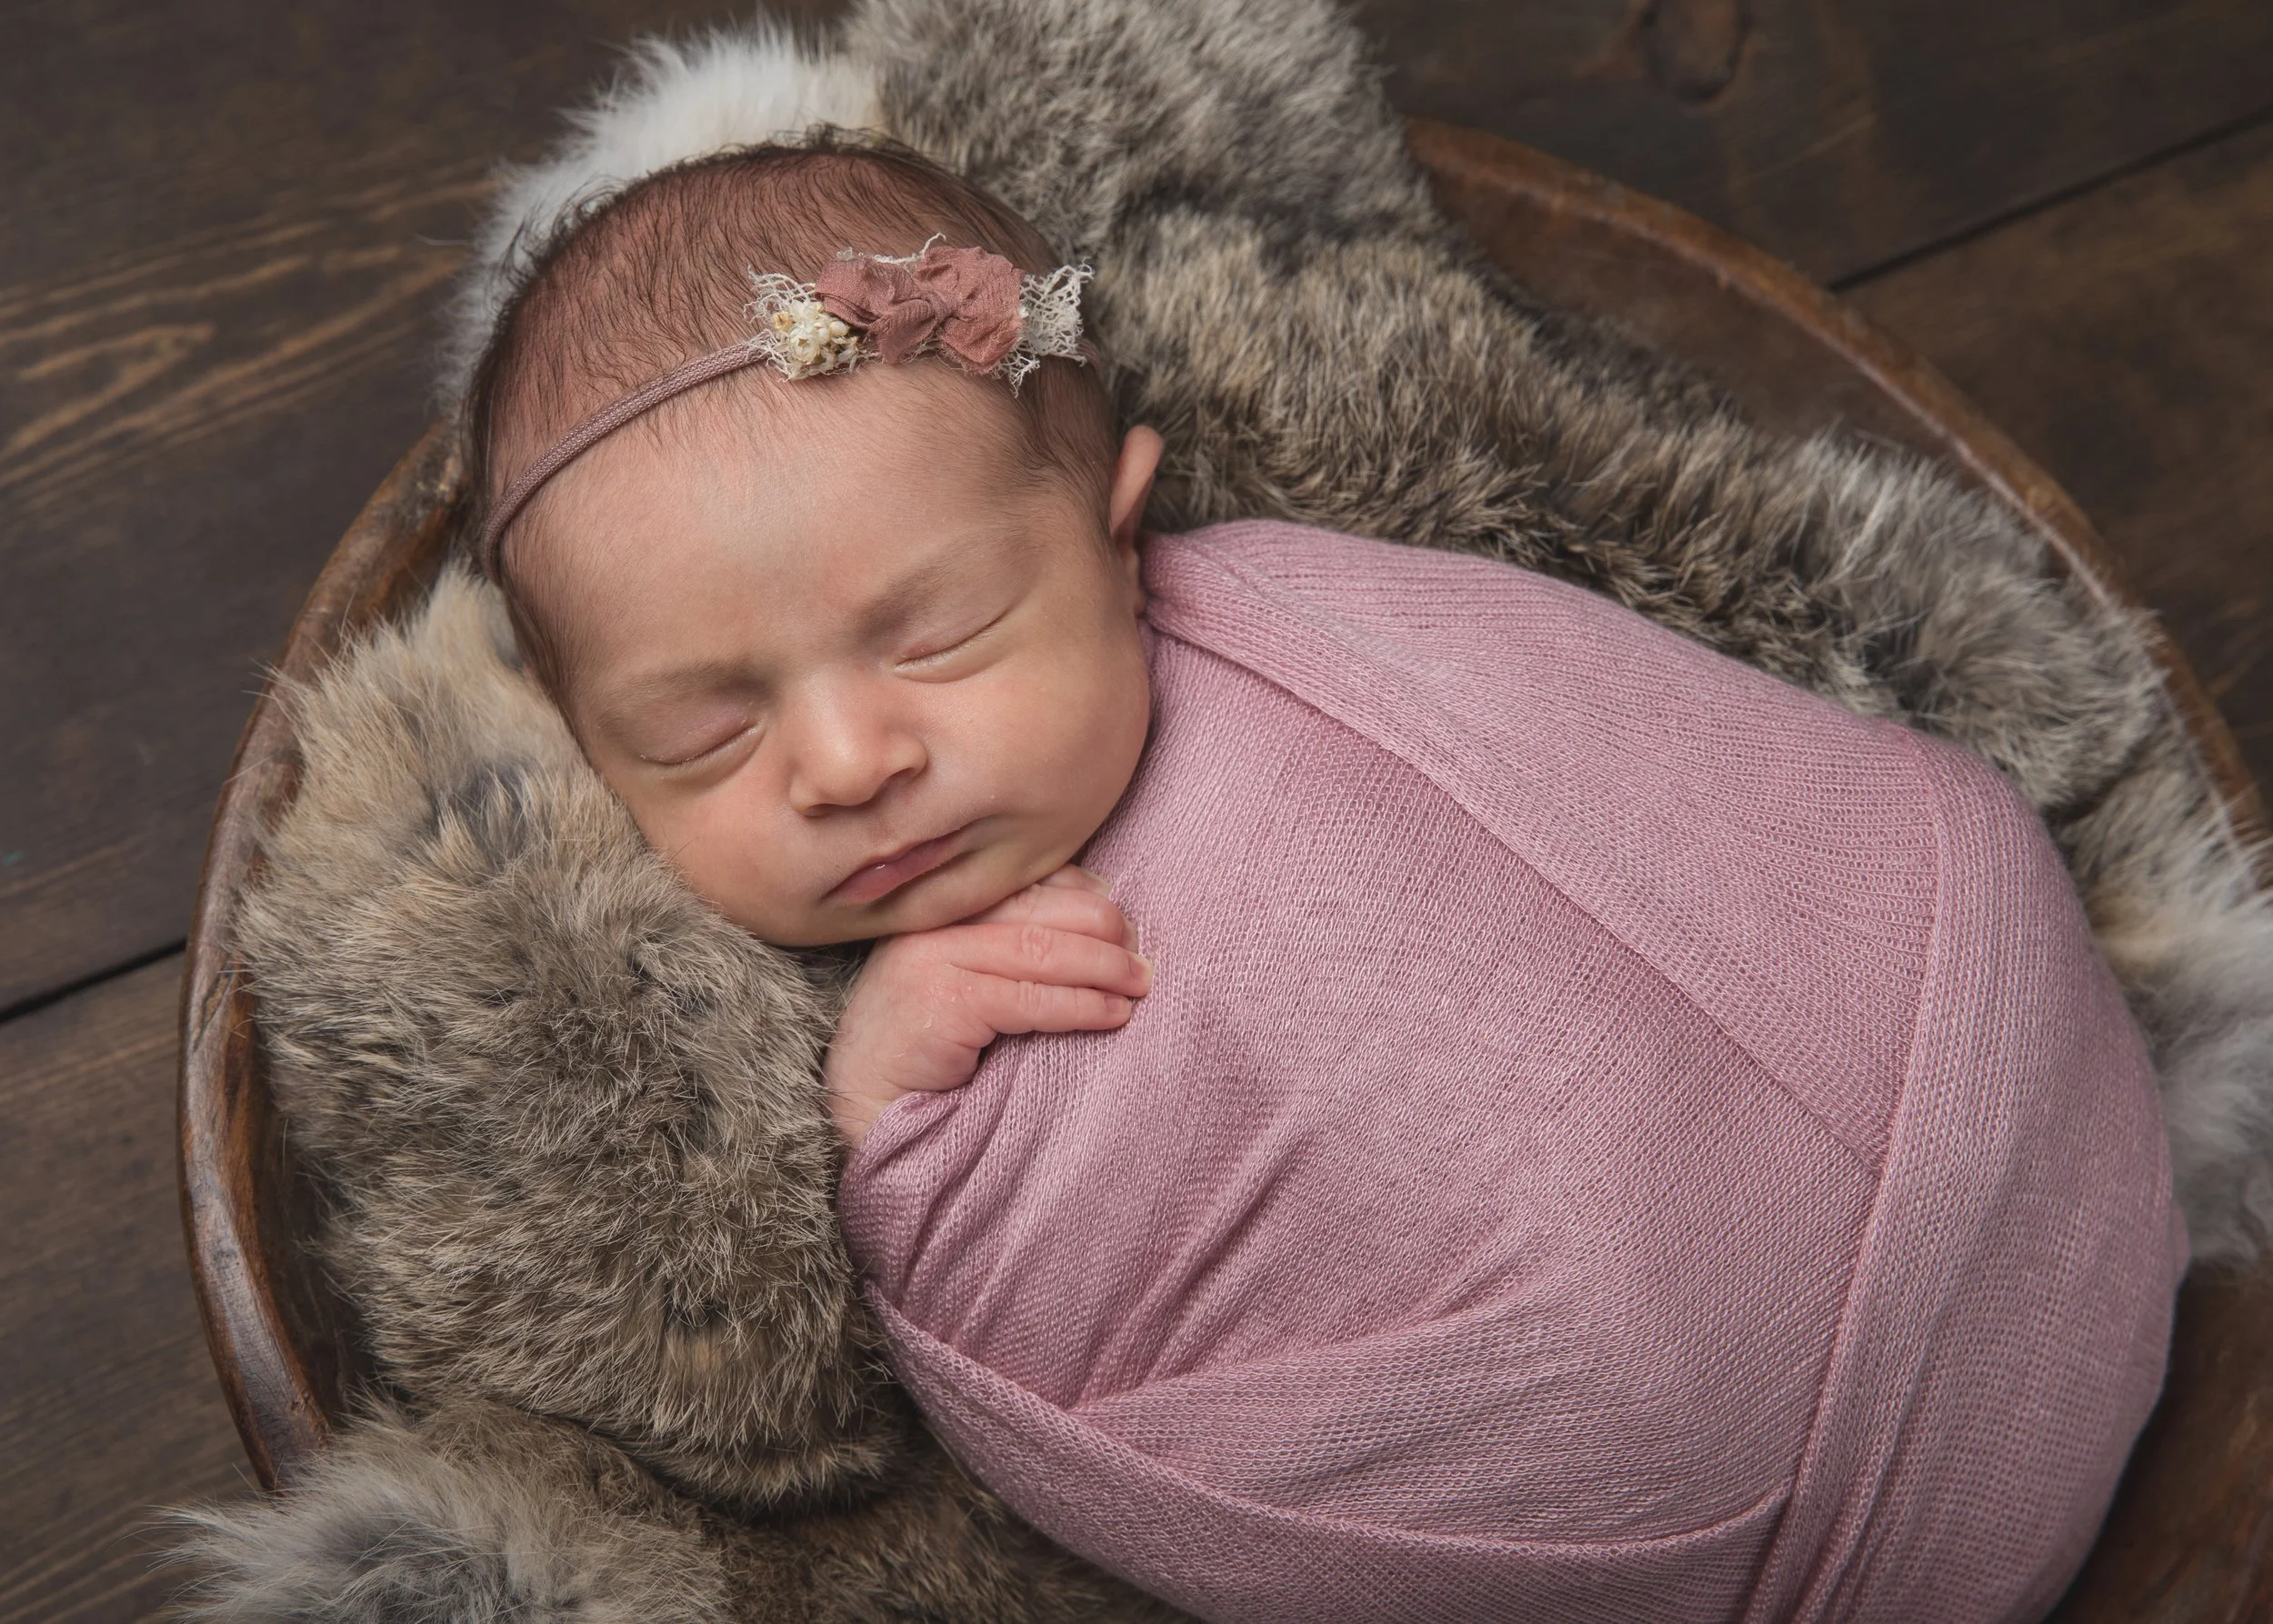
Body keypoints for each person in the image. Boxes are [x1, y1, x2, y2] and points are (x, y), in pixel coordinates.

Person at [466, 135, 2181, 1623]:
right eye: (704, 732)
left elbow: (1624, 726)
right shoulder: (901, 1057)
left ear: (1120, 535)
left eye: (941, 633)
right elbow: (1015, 1358)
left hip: (1986, 1041)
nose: (847, 763)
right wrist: (878, 1114)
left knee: (1927, 869)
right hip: (1702, 1479)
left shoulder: (1306, 601)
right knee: (1642, 1378)